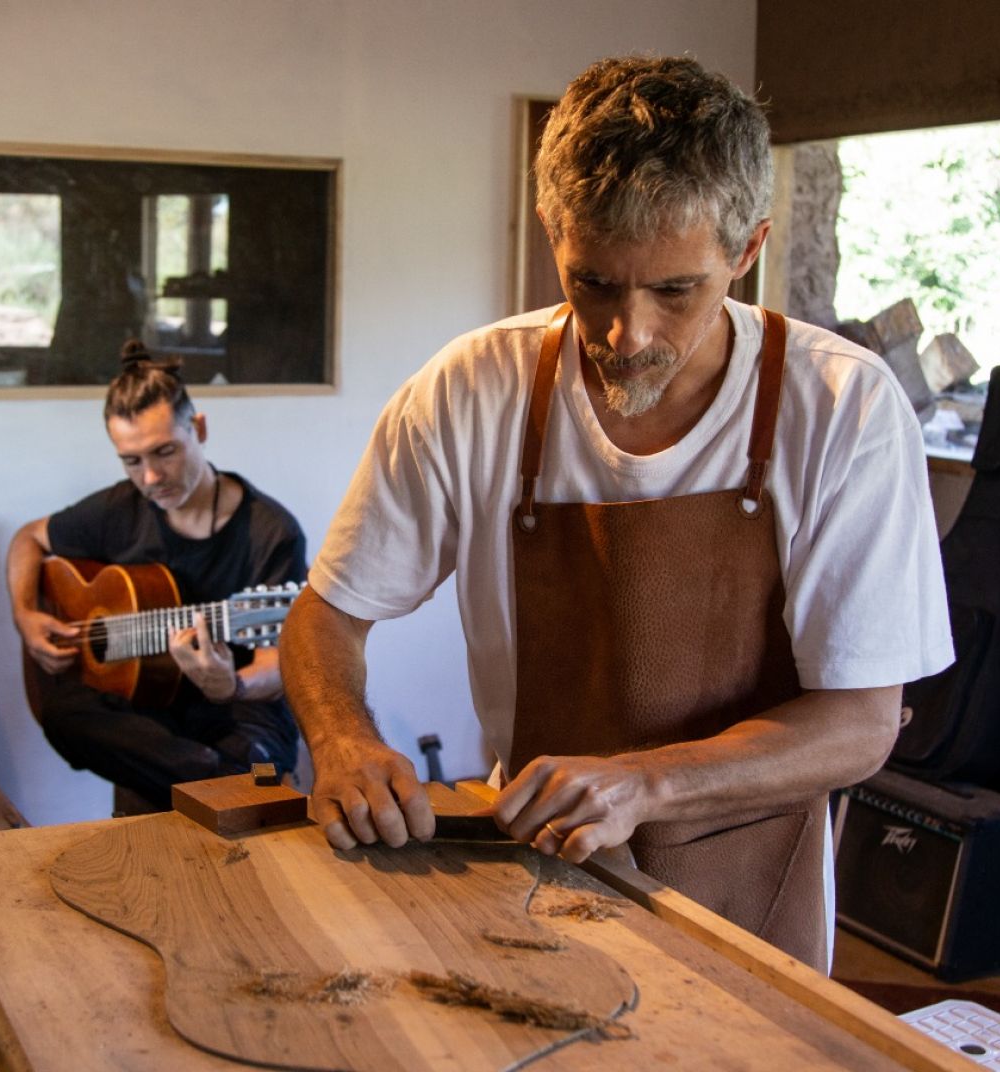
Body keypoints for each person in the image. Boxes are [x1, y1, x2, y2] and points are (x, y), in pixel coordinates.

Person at [280, 55, 951, 972]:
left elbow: (863, 723)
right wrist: (344, 740)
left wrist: (646, 782)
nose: (624, 337)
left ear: (746, 251)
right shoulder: (472, 392)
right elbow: (328, 614)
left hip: (751, 895)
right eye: (592, 281)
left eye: (675, 291)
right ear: (556, 230)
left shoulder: (844, 408)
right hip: (537, 878)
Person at [7, 343, 308, 810]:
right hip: (151, 713)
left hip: (237, 708)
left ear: (199, 429)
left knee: (249, 755)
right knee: (64, 713)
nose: (149, 477)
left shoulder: (271, 531)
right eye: (131, 461)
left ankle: (211, 779)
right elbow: (28, 539)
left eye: (164, 452)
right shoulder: (117, 510)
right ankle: (211, 782)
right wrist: (25, 615)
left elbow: (282, 661)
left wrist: (233, 684)